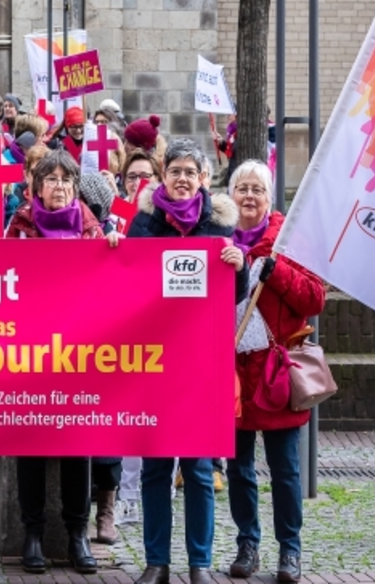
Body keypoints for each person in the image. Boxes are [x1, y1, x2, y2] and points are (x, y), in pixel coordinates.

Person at [127, 138, 248, 584]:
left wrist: (239, 267)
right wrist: (112, 249)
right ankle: (157, 561)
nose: (181, 178)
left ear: (204, 179)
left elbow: (232, 297)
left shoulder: (218, 231)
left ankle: (199, 563)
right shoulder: (142, 225)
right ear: (164, 175)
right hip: (154, 364)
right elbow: (122, 286)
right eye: (174, 170)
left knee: (198, 469)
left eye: (189, 172)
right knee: (156, 468)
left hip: (201, 364)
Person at [1, 150, 119, 575]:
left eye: (65, 179)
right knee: (31, 441)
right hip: (29, 354)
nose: (59, 186)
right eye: (49, 179)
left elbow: (113, 287)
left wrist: (115, 252)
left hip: (80, 354)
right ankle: (33, 532)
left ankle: (76, 534)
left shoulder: (94, 232)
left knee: (77, 445)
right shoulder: (19, 228)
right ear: (36, 190)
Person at [227, 160, 325, 584]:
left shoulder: (290, 240)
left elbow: (315, 298)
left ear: (270, 198)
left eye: (257, 189)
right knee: (238, 469)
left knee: (285, 470)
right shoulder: (219, 239)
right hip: (231, 372)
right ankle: (247, 544)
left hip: (276, 374)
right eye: (242, 188)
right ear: (231, 195)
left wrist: (277, 271)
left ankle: (290, 550)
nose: (249, 196)